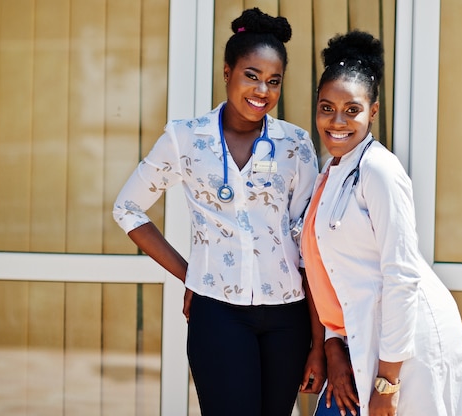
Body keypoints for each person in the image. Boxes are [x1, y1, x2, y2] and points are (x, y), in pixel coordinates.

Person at [112, 8, 325, 416]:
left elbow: (309, 245)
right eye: (251, 75)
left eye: (274, 81)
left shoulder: (295, 145)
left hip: (288, 318)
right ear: (227, 72)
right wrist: (190, 273)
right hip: (219, 315)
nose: (262, 90)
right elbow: (128, 207)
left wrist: (318, 342)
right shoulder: (186, 138)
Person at [301, 30, 462, 416]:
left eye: (352, 110)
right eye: (326, 107)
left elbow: (400, 275)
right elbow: (330, 273)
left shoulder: (379, 171)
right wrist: (333, 345)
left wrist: (388, 382)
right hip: (362, 341)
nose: (337, 121)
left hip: (405, 348)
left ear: (374, 111)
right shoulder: (329, 172)